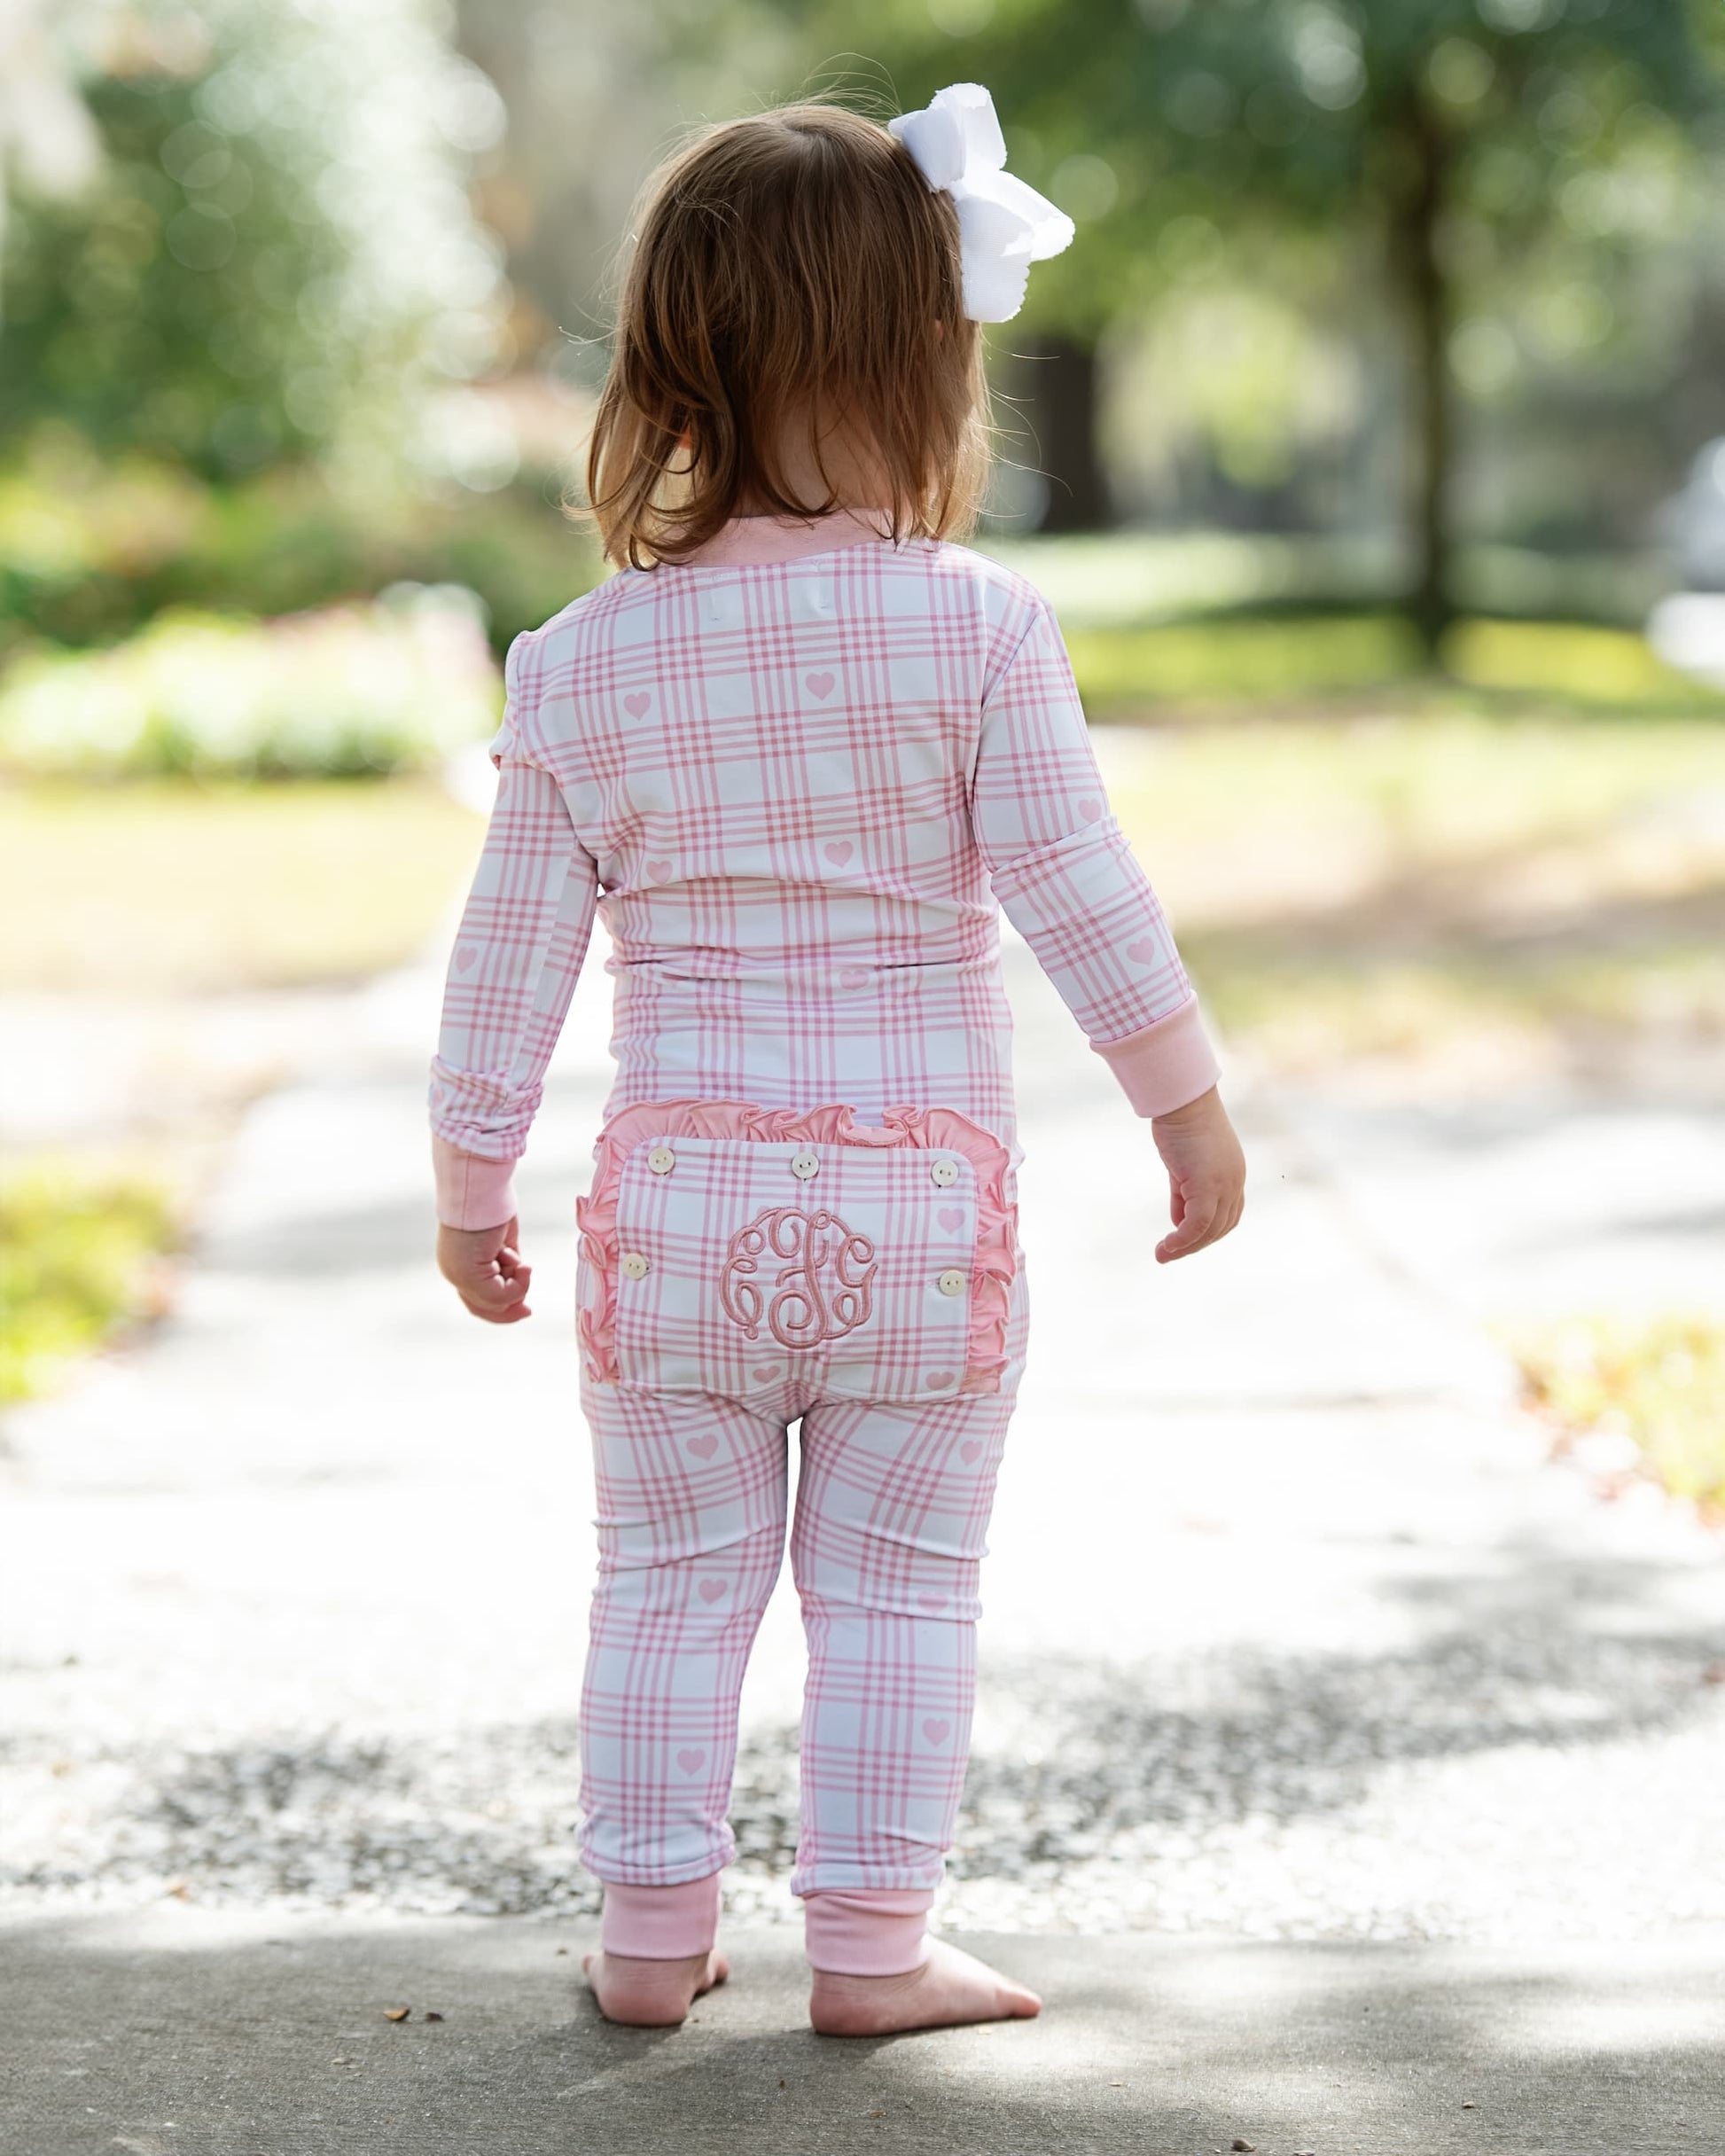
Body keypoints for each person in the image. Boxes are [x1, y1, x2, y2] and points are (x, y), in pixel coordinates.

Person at [428, 82, 1245, 2037]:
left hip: (682, 1217)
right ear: (925, 363)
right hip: (916, 1215)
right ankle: (871, 1956)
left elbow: (503, 973)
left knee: (665, 1581)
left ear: (668, 368)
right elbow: (1081, 895)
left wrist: (472, 1184)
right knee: (894, 1591)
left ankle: (648, 1941)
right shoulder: (976, 632)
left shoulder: (574, 664)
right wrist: (1185, 1108)